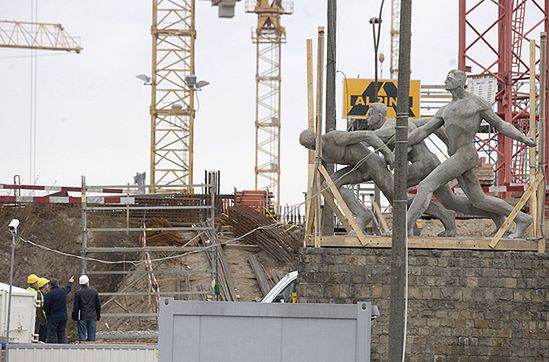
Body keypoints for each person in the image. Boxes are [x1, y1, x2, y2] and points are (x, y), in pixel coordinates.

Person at [406, 69, 536, 238]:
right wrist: (403, 142)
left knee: (426, 185)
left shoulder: (476, 103)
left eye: (449, 78)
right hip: (456, 156)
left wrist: (523, 138)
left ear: (460, 82)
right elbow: (424, 130)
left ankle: (405, 228)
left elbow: (502, 125)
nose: (445, 81)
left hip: (465, 153)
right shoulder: (445, 110)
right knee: (478, 200)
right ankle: (520, 218)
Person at [362, 102, 506, 236]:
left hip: (422, 165)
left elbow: (371, 137)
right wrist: (449, 144)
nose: (366, 117)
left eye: (369, 114)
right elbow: (427, 124)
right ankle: (493, 215)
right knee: (452, 202)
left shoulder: (390, 126)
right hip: (432, 162)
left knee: (395, 191)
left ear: (379, 116)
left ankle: (406, 228)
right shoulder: (400, 122)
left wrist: (356, 139)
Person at [299, 128, 455, 234]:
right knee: (329, 186)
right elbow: (323, 173)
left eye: (314, 144)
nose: (313, 148)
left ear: (317, 138)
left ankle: (444, 214)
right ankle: (362, 215)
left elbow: (368, 135)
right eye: (310, 147)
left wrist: (387, 154)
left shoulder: (334, 138)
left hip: (373, 165)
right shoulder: (320, 153)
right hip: (357, 169)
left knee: (399, 200)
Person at [43, 276, 73, 343]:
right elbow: (68, 289)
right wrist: (70, 282)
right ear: (58, 284)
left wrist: (48, 314)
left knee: (52, 334)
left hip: (53, 317)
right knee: (62, 333)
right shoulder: (62, 291)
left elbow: (45, 307)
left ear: (50, 285)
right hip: (63, 317)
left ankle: (53, 349)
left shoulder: (49, 294)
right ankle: (62, 348)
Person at [72, 275, 101, 342]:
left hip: (82, 316)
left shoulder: (78, 293)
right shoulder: (94, 292)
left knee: (82, 337)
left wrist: (75, 317)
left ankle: (82, 350)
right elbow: (98, 305)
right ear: (87, 282)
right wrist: (98, 316)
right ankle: (91, 350)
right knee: (92, 337)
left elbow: (76, 307)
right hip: (92, 316)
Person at [26, 274, 43, 339]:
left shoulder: (27, 290)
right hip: (36, 316)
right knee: (35, 332)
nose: (38, 284)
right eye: (37, 282)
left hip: (29, 315)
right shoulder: (36, 293)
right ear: (34, 283)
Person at [37, 277, 50, 342]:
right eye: (47, 284)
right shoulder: (39, 295)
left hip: (43, 319)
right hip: (41, 320)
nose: (48, 286)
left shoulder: (44, 294)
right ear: (44, 286)